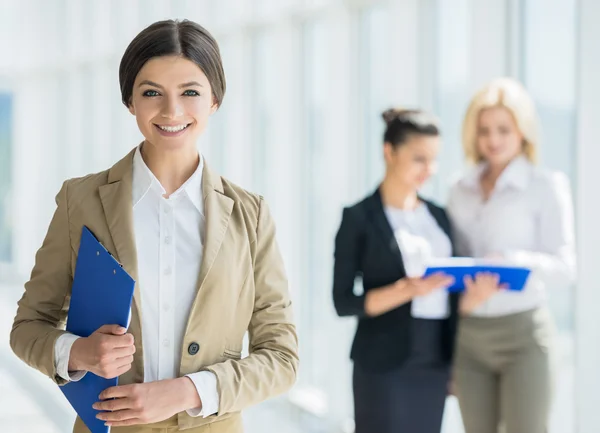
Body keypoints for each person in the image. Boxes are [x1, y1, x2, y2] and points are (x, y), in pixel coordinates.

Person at [10, 19, 298, 433]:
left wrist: (188, 391)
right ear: (130, 101)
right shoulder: (81, 201)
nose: (171, 111)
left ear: (214, 100)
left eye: (190, 93)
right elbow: (27, 328)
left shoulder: (249, 214)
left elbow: (282, 356)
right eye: (151, 93)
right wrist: (79, 353)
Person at [447, 77, 577, 433]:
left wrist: (514, 260)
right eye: (484, 130)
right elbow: (456, 256)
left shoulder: (546, 185)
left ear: (523, 131)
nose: (493, 139)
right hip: (470, 336)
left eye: (503, 129)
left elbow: (566, 268)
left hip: (524, 335)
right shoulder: (459, 189)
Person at [333, 108, 467, 433]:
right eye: (419, 158)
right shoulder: (359, 218)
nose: (429, 170)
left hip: (436, 356)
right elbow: (343, 301)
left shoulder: (439, 216)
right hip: (382, 360)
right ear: (389, 152)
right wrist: (407, 289)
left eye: (433, 160)